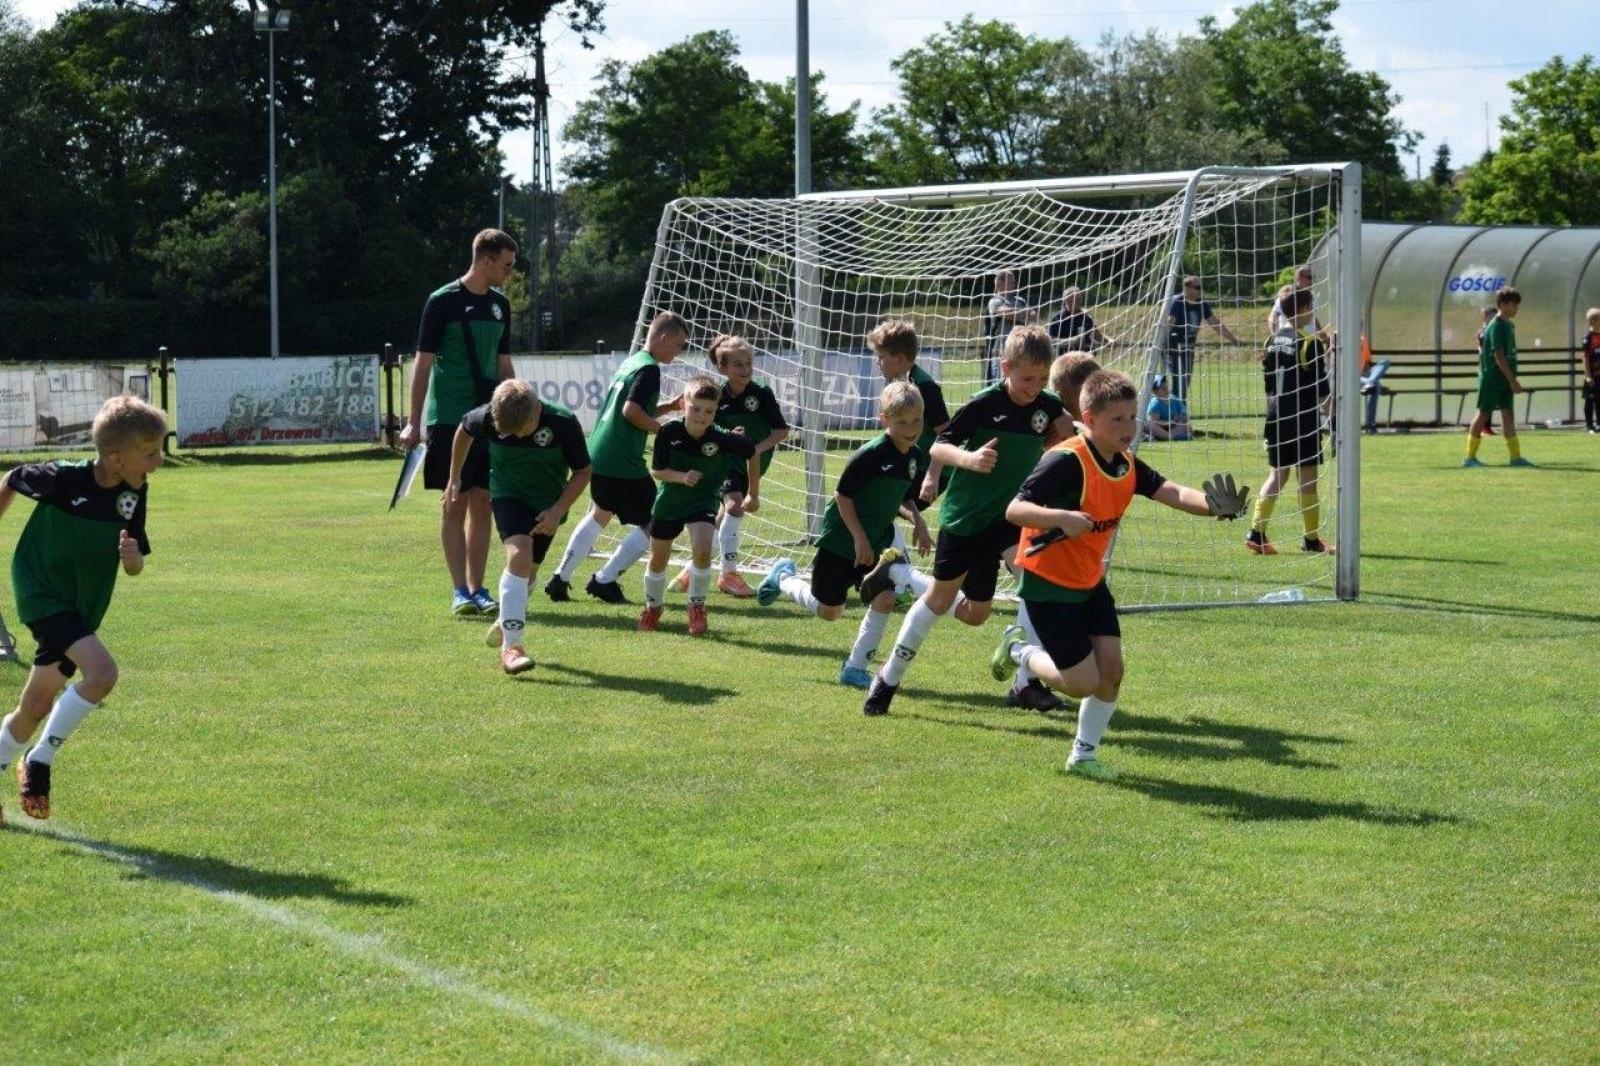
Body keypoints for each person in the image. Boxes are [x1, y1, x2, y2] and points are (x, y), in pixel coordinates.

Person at [990, 369, 1249, 780]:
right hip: (1049, 586)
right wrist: (1062, 517)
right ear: (1089, 420)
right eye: (1117, 420)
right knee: (1080, 684)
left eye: (1132, 418)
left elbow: (1172, 491)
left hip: (1090, 584)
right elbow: (1015, 510)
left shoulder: (1126, 463)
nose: (1129, 428)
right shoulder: (1065, 461)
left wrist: (1215, 505)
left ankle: (1083, 757)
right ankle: (1019, 650)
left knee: (1111, 673)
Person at [861, 324, 1073, 718]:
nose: (1035, 386)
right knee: (955, 607)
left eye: (1043, 379)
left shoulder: (1046, 406)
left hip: (1011, 517)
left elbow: (1067, 429)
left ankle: (1026, 682)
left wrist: (1067, 432)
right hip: (967, 519)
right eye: (1028, 378)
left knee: (1034, 581)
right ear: (1004, 367)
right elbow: (941, 446)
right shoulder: (984, 403)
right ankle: (888, 676)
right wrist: (970, 460)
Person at [0, 396, 166, 822]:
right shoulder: (64, 478)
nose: (158, 461)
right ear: (115, 458)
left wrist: (132, 560)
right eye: (150, 454)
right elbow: (13, 477)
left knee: (34, 706)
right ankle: (39, 762)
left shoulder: (133, 492)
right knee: (103, 673)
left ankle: (11, 757)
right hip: (42, 592)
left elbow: (135, 565)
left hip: (81, 605)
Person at [756, 381, 933, 689]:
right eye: (902, 421)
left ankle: (855, 667)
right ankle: (783, 578)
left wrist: (918, 520)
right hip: (842, 540)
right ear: (884, 421)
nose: (911, 427)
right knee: (830, 611)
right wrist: (858, 538)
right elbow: (843, 496)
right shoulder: (871, 454)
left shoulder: (915, 456)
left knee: (886, 597)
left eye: (916, 419)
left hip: (877, 542)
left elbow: (901, 496)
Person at [401, 228, 519, 619]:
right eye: (506, 265)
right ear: (485, 260)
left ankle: (478, 588)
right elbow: (423, 364)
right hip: (448, 418)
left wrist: (518, 410)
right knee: (454, 502)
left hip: (490, 419)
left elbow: (505, 366)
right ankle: (458, 592)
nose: (510, 273)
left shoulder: (501, 305)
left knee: (483, 501)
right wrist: (413, 422)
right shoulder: (441, 302)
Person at [449, 379, 591, 675]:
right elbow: (463, 430)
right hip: (507, 494)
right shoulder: (489, 417)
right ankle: (511, 648)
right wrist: (455, 478)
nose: (515, 437)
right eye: (507, 433)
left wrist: (557, 511)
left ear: (538, 409)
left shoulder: (562, 423)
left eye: (522, 431)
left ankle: (507, 618)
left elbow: (582, 472)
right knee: (519, 557)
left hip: (549, 505)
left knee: (530, 572)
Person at [546, 311, 688, 603]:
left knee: (599, 513)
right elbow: (632, 413)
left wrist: (669, 406)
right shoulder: (649, 370)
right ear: (664, 339)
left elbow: (630, 407)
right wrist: (664, 431)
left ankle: (560, 578)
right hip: (621, 460)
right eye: (679, 344)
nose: (680, 350)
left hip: (598, 452)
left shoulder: (631, 362)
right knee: (659, 519)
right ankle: (604, 580)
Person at [993, 350, 1101, 714]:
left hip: (1046, 530)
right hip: (1018, 522)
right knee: (1033, 589)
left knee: (1033, 595)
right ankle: (1024, 677)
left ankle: (1025, 677)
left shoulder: (1080, 431)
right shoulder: (1052, 428)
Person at [639, 376, 759, 635]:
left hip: (703, 500)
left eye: (709, 411)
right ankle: (653, 607)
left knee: (703, 550)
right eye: (696, 408)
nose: (702, 416)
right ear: (683, 404)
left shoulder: (722, 437)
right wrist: (681, 477)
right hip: (669, 503)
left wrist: (754, 494)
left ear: (715, 411)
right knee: (658, 559)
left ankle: (696, 608)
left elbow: (752, 452)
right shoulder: (668, 432)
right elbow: (657, 470)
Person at [670, 335, 789, 598]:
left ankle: (695, 566)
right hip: (725, 462)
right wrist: (727, 437)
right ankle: (728, 574)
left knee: (723, 516)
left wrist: (755, 448)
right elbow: (709, 428)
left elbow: (781, 431)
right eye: (737, 364)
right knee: (734, 505)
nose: (745, 369)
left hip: (754, 463)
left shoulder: (761, 393)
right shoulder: (717, 395)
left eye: (748, 363)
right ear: (723, 368)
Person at [858, 318, 948, 609]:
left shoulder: (925, 388)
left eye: (881, 357)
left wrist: (933, 474)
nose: (878, 363)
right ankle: (895, 575)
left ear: (899, 359)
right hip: (906, 466)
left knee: (882, 509)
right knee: (879, 509)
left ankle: (900, 577)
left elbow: (947, 432)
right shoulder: (899, 384)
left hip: (924, 471)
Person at [1245, 287, 1335, 555]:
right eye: (1311, 308)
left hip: (1275, 418)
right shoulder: (1308, 344)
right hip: (1302, 420)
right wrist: (1335, 423)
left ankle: (1256, 532)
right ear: (1303, 310)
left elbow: (1269, 389)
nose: (1313, 313)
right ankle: (1311, 539)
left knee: (1276, 476)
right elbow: (1322, 393)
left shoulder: (1270, 342)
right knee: (1307, 480)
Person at [1464, 287, 1534, 469]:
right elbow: (1499, 355)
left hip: (1505, 379)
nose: (1516, 309)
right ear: (1502, 305)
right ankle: (1469, 458)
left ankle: (1516, 458)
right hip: (1493, 378)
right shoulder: (1496, 326)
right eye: (1513, 305)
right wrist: (1512, 380)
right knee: (1483, 413)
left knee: (1508, 415)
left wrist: (1511, 379)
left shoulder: (1510, 325)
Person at [1164, 275, 1240, 404]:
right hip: (1173, 348)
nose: (1200, 290)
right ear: (1187, 288)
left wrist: (1233, 339)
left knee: (1185, 382)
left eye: (1201, 287)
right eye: (1197, 287)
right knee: (1179, 383)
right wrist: (1162, 344)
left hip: (1188, 348)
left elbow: (1215, 323)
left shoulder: (1201, 304)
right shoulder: (1177, 302)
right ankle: (1176, 414)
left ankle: (1176, 410)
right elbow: (1169, 324)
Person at [985, 270, 1036, 385]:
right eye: (1011, 281)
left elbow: (1033, 316)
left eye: (1014, 281)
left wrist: (1019, 313)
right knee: (1001, 385)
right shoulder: (995, 301)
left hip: (1021, 352)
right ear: (999, 283)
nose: (1014, 284)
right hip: (1001, 352)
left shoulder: (1020, 300)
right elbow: (1005, 313)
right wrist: (1023, 313)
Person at [1046, 286, 1116, 353]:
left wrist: (1108, 340)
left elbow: (1098, 336)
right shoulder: (1057, 318)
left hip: (1086, 357)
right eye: (1073, 299)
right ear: (1066, 301)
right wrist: (1070, 341)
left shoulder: (1086, 317)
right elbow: (1050, 340)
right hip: (1064, 358)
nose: (1078, 302)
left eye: (1079, 299)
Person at [1144, 374, 1191, 441]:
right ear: (1155, 392)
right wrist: (1169, 422)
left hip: (1174, 428)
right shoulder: (1154, 404)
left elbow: (1185, 417)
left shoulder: (1175, 400)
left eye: (1167, 387)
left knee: (1186, 425)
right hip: (1159, 429)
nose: (1167, 391)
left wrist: (1179, 418)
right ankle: (1170, 436)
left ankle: (1167, 436)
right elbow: (1152, 421)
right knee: (1148, 426)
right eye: (1163, 389)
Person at [1581, 307, 1600, 434]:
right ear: (1592, 322)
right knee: (1590, 400)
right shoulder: (1588, 338)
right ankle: (1589, 425)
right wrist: (1588, 376)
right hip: (1592, 375)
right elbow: (1586, 357)